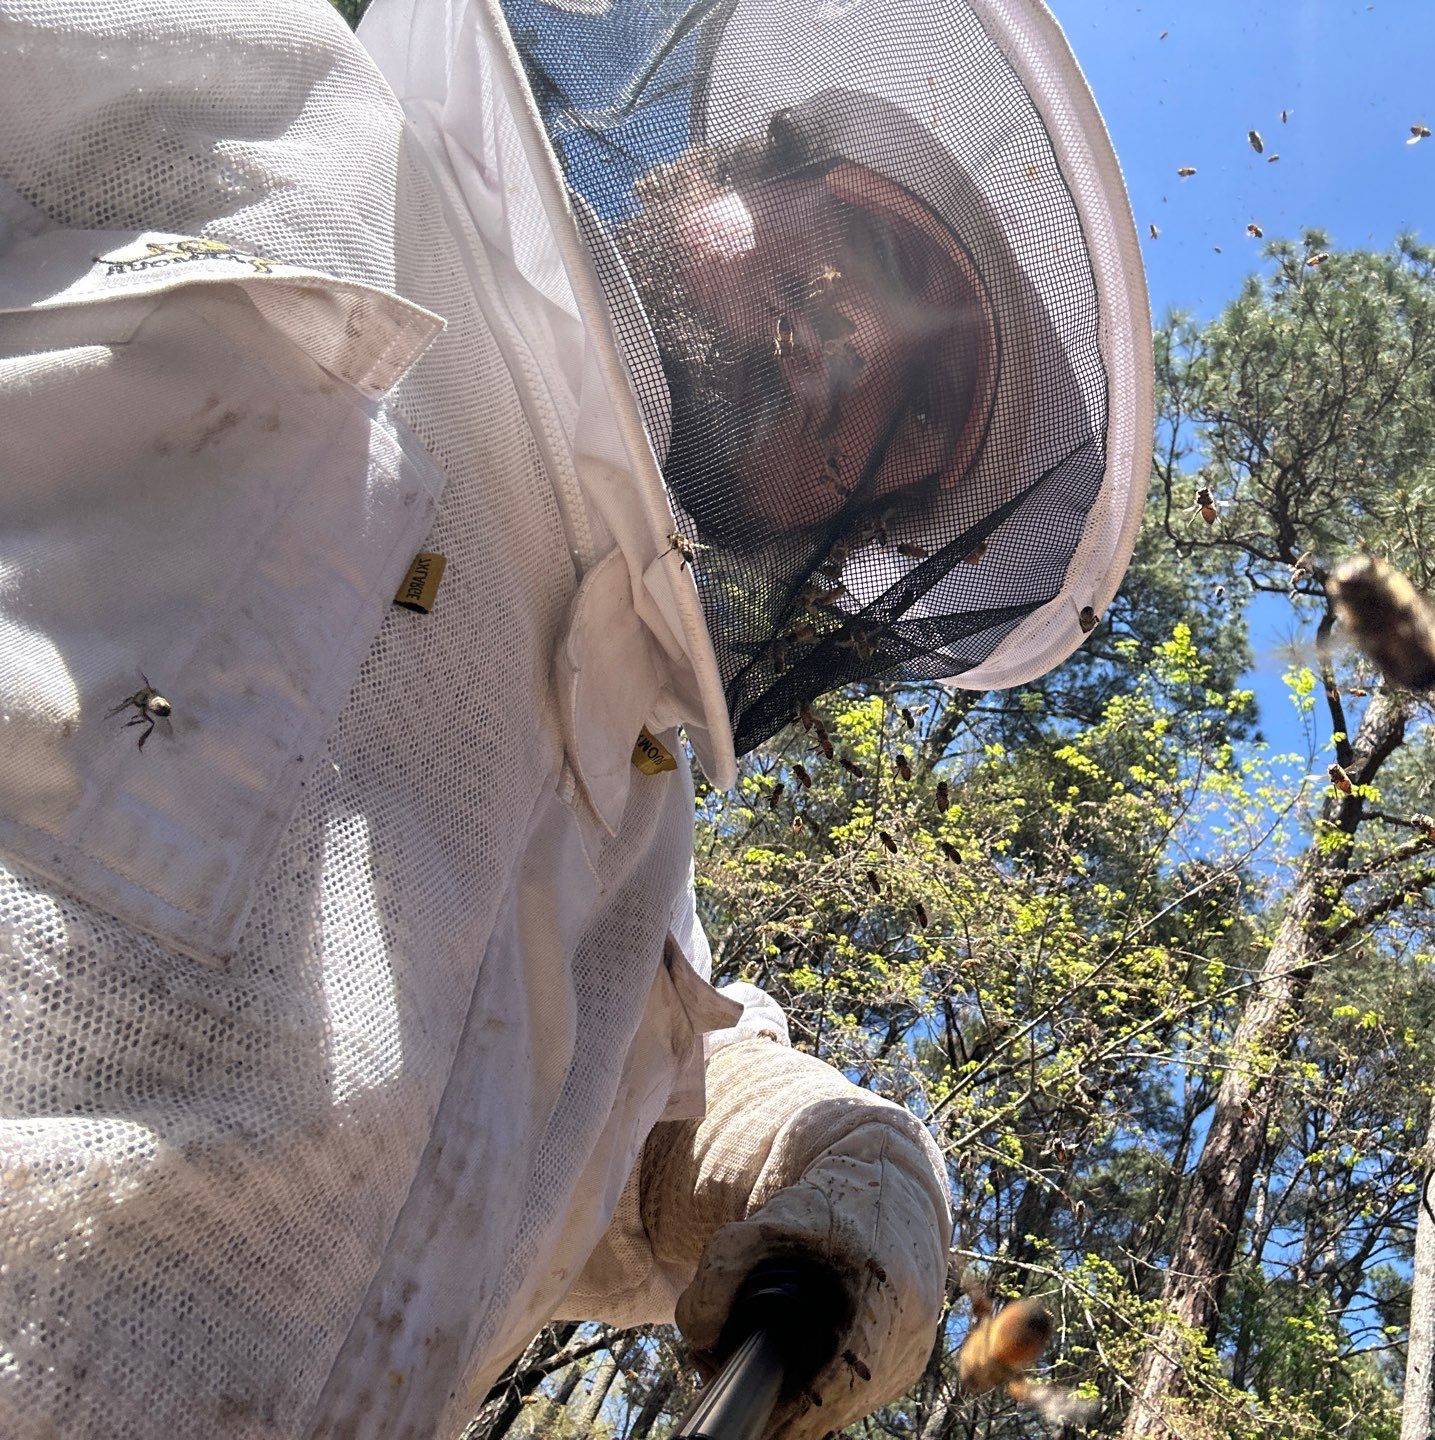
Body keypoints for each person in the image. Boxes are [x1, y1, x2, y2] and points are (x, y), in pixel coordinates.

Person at [0, 0, 1150, 1435]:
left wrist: (833, 1148)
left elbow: (647, 1128)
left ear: (869, 527)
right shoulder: (274, 106)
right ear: (702, 175)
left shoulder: (632, 829)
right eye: (853, 247)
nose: (854, 337)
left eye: (911, 413)